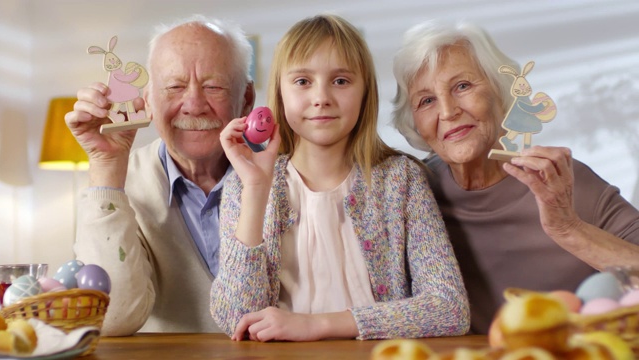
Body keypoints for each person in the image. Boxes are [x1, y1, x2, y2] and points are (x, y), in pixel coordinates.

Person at [210, 14, 470, 342]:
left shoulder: (401, 180)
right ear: (280, 91)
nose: (322, 98)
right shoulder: (244, 184)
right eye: (303, 81)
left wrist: (315, 325)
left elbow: (449, 308)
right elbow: (236, 318)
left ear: (365, 93)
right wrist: (256, 191)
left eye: (341, 81)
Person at [391, 20, 639, 334]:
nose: (448, 111)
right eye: (427, 101)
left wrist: (569, 228)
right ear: (414, 123)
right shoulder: (411, 193)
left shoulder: (562, 181)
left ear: (501, 91)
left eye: (462, 86)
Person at [64, 15, 255, 335]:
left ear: (246, 99)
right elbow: (111, 320)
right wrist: (106, 167)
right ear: (148, 99)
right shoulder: (122, 183)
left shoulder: (282, 177)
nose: (194, 105)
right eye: (174, 87)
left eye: (213, 86)